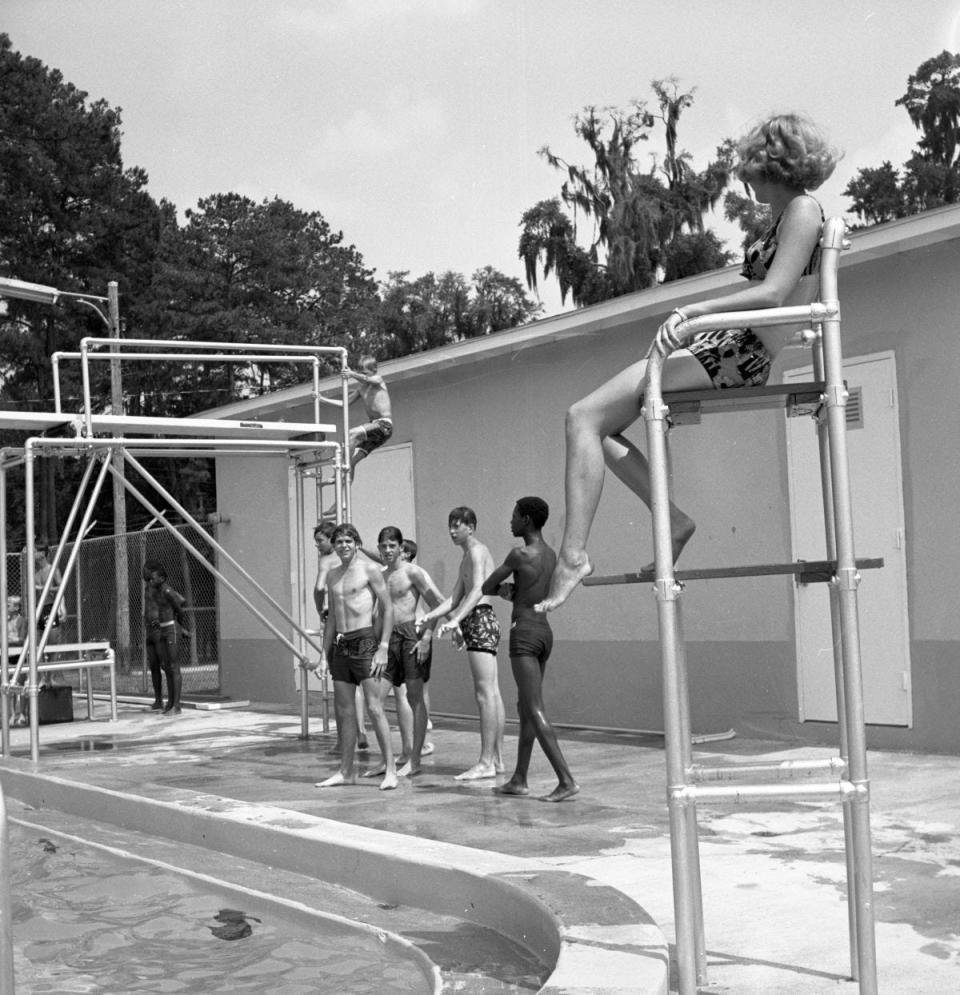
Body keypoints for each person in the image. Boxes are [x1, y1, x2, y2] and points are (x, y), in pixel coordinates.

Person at [536, 112, 841, 613]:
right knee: (590, 424)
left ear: (774, 164)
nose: (746, 179)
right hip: (726, 344)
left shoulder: (805, 210)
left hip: (739, 352)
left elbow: (775, 292)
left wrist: (695, 309)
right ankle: (665, 524)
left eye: (751, 168)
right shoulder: (789, 215)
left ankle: (574, 555)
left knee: (583, 417)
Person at [482, 497, 579, 802]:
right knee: (526, 708)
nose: (510, 521)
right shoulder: (551, 555)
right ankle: (519, 778)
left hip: (523, 633)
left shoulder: (519, 554)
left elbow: (487, 585)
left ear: (526, 519)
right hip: (543, 632)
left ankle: (566, 780)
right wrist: (517, 592)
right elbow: (535, 590)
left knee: (534, 709)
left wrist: (504, 590)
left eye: (513, 516)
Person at [306, 523, 397, 790]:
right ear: (334, 547)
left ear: (357, 543)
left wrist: (382, 646)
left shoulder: (369, 570)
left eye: (348, 541)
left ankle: (390, 769)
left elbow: (388, 609)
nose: (344, 545)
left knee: (374, 707)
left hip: (365, 641)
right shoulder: (333, 575)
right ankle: (346, 771)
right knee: (344, 712)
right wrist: (324, 655)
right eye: (339, 542)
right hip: (341, 644)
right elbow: (332, 619)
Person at [418, 507, 505, 780]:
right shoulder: (466, 556)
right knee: (491, 692)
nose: (452, 531)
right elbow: (454, 598)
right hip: (473, 619)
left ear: (471, 527)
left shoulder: (478, 551)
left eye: (457, 526)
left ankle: (486, 762)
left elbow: (478, 589)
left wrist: (457, 622)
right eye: (450, 526)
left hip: (480, 619)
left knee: (485, 693)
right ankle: (497, 760)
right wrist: (432, 615)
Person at [374, 527, 443, 777]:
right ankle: (386, 760)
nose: (388, 550)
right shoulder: (380, 576)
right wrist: (376, 645)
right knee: (375, 700)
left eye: (393, 545)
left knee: (414, 698)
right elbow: (381, 614)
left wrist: (426, 636)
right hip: (388, 640)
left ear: (401, 548)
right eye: (384, 546)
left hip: (412, 636)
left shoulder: (412, 572)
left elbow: (438, 602)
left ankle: (415, 759)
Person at [312, 521, 370, 753]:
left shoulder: (328, 561)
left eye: (320, 541)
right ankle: (361, 731)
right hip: (358, 628)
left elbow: (318, 588)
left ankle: (343, 740)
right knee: (358, 688)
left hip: (347, 629)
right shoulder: (356, 564)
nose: (317, 546)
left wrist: (320, 609)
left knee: (346, 689)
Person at [142, 559, 191, 715]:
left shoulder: (166, 590)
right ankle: (166, 703)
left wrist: (179, 626)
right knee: (160, 665)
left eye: (149, 572)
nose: (147, 575)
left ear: (160, 576)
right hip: (156, 629)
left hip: (167, 628)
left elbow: (180, 604)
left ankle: (175, 705)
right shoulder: (150, 589)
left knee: (171, 666)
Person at [345, 355, 392, 479]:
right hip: (375, 429)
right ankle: (346, 488)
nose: (362, 375)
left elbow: (368, 380)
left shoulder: (378, 380)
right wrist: (321, 399)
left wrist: (352, 374)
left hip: (384, 425)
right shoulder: (361, 389)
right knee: (353, 461)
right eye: (361, 373)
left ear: (374, 370)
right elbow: (344, 404)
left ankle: (344, 467)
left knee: (352, 434)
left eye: (365, 373)